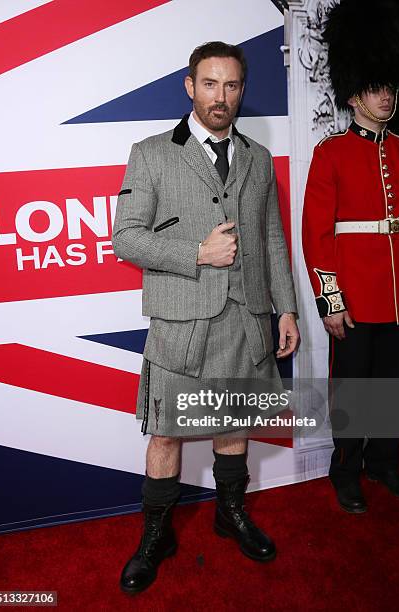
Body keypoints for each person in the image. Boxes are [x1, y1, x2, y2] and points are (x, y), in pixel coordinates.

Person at [112, 41, 299, 594]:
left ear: (243, 90)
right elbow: (125, 237)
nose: (222, 97)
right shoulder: (150, 152)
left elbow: (270, 238)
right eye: (210, 84)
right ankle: (157, 536)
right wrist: (197, 252)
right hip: (181, 323)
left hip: (245, 318)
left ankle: (228, 513)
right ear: (190, 87)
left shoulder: (259, 158)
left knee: (233, 424)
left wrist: (284, 307)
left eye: (232, 85)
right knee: (166, 434)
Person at [302, 0, 399, 514]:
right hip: (355, 293)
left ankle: (384, 463)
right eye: (376, 88)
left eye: (389, 87)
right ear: (353, 95)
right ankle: (345, 469)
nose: (386, 96)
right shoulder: (331, 154)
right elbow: (316, 236)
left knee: (392, 386)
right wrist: (331, 299)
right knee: (351, 390)